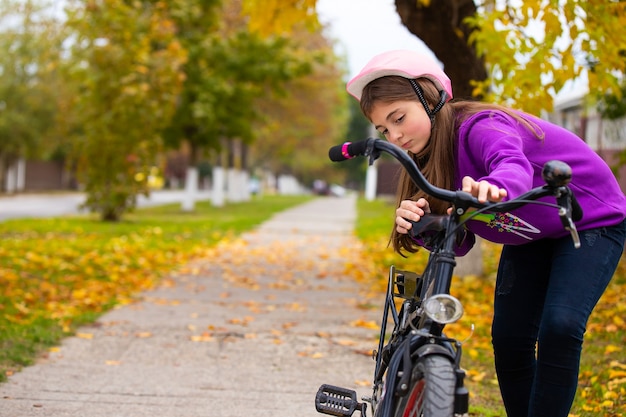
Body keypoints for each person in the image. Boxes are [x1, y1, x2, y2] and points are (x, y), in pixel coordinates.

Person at [346, 49, 626, 417]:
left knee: (560, 326)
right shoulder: (429, 160)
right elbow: (459, 243)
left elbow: (511, 165)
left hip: (589, 219)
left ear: (431, 98)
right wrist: (419, 220)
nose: (394, 136)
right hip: (532, 235)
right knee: (509, 338)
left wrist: (495, 188)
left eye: (399, 118)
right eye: (383, 130)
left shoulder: (481, 125)